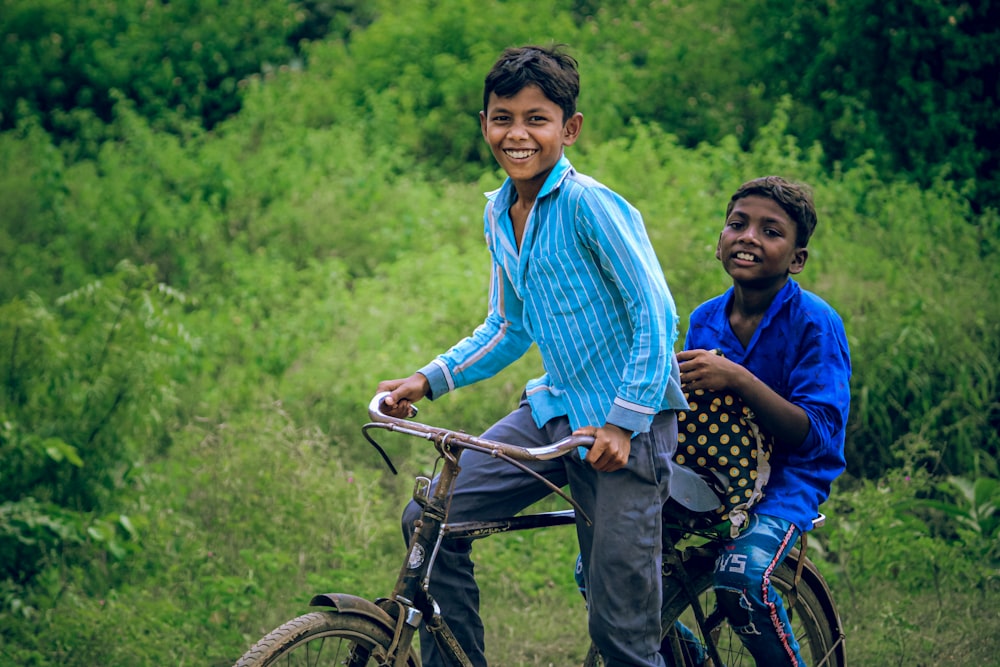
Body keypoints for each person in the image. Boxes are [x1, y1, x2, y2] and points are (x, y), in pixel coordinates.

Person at [377, 44, 714, 667]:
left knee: (619, 627)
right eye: (503, 117)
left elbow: (655, 314)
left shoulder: (590, 205)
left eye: (538, 118)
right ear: (484, 125)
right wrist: (426, 380)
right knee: (432, 521)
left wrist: (622, 421)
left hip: (626, 429)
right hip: (555, 410)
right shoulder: (499, 211)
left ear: (570, 129)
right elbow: (507, 326)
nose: (518, 133)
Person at [676, 175, 852, 665]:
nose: (749, 237)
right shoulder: (705, 318)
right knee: (603, 564)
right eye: (737, 224)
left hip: (789, 481)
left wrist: (736, 378)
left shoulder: (815, 322)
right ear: (719, 243)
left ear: (797, 259)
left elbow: (816, 434)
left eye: (771, 231)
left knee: (739, 576)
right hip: (714, 476)